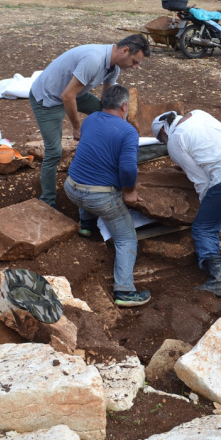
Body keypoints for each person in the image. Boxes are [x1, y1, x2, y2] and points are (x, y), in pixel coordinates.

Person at [30, 34, 151, 208]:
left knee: (106, 114)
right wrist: (77, 127)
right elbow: (67, 96)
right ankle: (47, 200)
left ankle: (105, 158)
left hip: (73, 93)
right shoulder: (94, 60)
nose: (134, 67)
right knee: (54, 152)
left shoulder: (113, 67)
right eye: (134, 62)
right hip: (48, 98)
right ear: (125, 51)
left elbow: (107, 105)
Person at [151, 109, 221, 297]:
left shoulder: (175, 140)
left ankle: (217, 281)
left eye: (162, 141)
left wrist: (206, 208)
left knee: (203, 228)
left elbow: (200, 181)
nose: (164, 145)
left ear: (163, 132)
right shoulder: (198, 113)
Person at [64, 85, 150, 308]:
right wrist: (129, 191)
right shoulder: (127, 131)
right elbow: (129, 169)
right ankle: (125, 290)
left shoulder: (91, 119)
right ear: (124, 106)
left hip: (71, 188)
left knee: (91, 171)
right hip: (99, 198)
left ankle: (86, 224)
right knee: (126, 238)